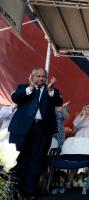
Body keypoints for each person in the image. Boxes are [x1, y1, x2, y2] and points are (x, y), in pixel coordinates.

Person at [8, 67, 63, 199]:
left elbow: (58, 102)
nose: (41, 78)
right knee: (18, 161)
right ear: (31, 76)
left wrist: (50, 90)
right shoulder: (23, 87)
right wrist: (31, 88)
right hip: (21, 130)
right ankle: (14, 190)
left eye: (43, 76)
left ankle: (30, 192)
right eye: (38, 76)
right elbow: (15, 98)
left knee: (36, 161)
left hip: (42, 131)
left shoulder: (52, 91)